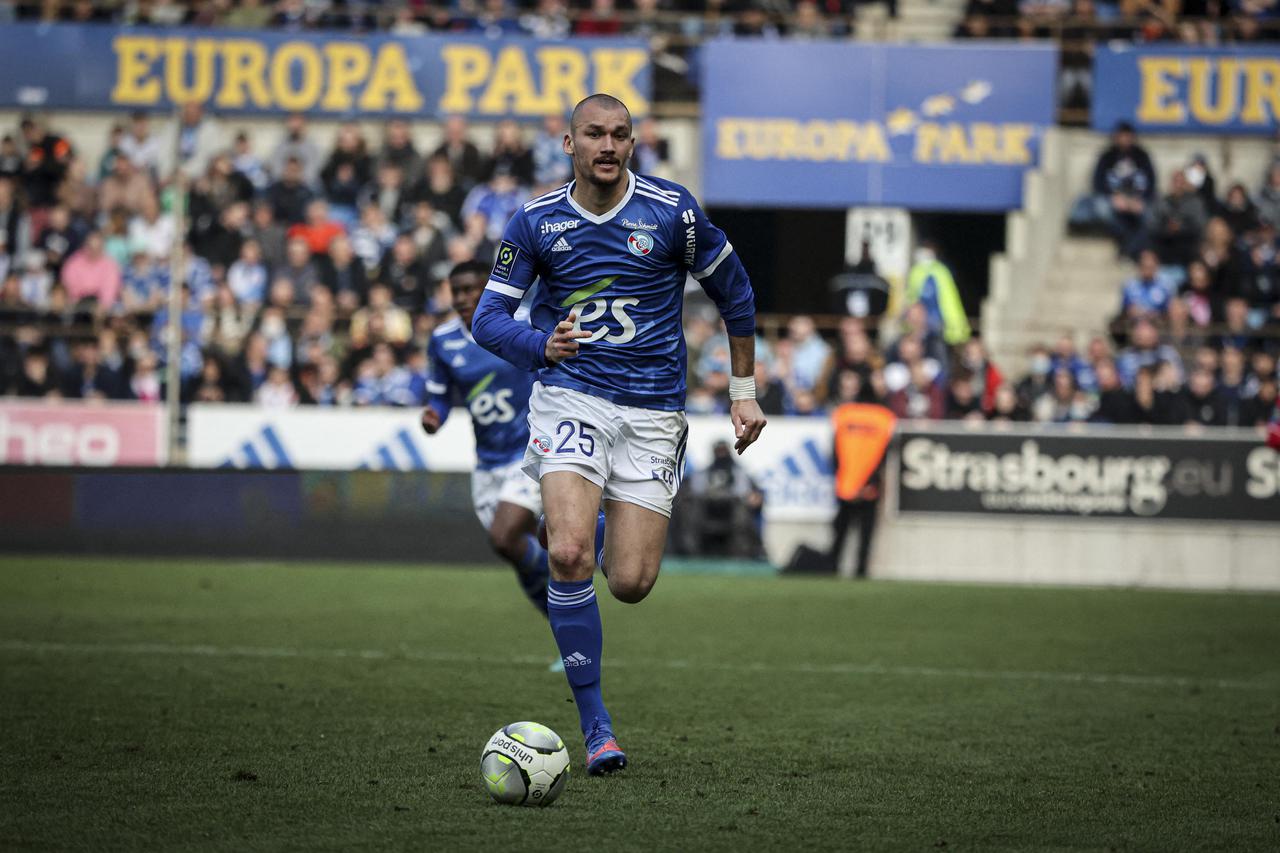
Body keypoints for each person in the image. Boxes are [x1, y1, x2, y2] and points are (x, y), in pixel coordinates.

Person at [471, 94, 766, 776]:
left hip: (653, 412)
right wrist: (541, 346)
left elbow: (737, 294)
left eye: (620, 134)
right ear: (568, 143)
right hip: (571, 397)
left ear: (633, 143)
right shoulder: (537, 221)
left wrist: (744, 394)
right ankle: (596, 726)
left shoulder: (673, 211)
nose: (608, 144)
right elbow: (489, 317)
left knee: (630, 581)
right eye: (594, 134)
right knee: (570, 553)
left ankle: (587, 521)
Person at [420, 261, 551, 615]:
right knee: (512, 550)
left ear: (488, 288)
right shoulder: (443, 340)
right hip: (487, 462)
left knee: (504, 536)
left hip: (530, 453)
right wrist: (435, 415)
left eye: (469, 289)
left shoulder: (520, 323)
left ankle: (569, 583)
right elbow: (441, 396)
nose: (461, 298)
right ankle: (562, 623)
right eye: (455, 291)